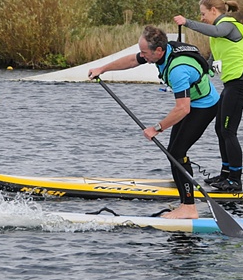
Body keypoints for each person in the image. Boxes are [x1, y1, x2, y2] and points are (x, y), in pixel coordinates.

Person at [88, 25, 219, 219]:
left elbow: (183, 108)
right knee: (173, 152)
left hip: (204, 106)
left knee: (177, 152)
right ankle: (185, 194)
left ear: (158, 50)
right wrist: (102, 69)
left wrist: (157, 128)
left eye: (144, 53)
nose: (142, 56)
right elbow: (132, 60)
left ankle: (189, 207)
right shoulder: (160, 52)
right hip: (191, 104)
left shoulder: (177, 70)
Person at [174, 0, 243, 192]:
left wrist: (187, 23)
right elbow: (211, 62)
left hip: (241, 84)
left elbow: (216, 30)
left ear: (214, 10)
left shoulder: (228, 25)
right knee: (220, 129)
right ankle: (225, 174)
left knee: (228, 131)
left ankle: (235, 180)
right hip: (231, 84)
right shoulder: (217, 37)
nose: (202, 18)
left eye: (203, 13)